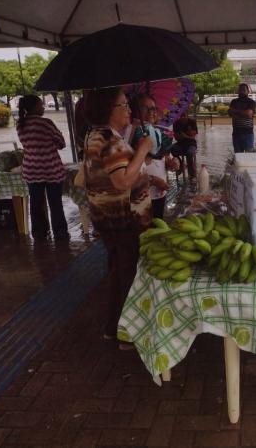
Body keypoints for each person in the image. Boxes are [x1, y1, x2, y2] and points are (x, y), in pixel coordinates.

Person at [83, 87, 153, 348]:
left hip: (110, 219)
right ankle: (125, 334)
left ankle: (113, 328)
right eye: (124, 105)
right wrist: (143, 149)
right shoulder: (109, 140)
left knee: (118, 272)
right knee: (127, 274)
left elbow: (118, 173)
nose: (129, 110)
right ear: (108, 110)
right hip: (123, 221)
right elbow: (122, 180)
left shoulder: (97, 135)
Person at [16, 94, 69, 241]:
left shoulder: (20, 124)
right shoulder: (46, 123)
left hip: (31, 169)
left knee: (35, 203)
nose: (43, 107)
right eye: (41, 105)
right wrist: (59, 135)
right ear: (34, 107)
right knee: (55, 204)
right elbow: (61, 143)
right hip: (51, 169)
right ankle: (60, 233)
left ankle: (39, 233)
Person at [130, 94, 179, 218]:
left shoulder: (157, 131)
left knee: (158, 224)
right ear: (135, 110)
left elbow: (162, 158)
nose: (151, 112)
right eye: (145, 108)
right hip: (141, 196)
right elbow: (129, 169)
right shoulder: (131, 133)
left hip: (159, 193)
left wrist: (170, 162)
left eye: (154, 108)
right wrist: (152, 180)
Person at [228, 83, 255, 152]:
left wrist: (236, 112)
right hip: (236, 134)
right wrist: (244, 113)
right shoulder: (234, 102)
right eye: (240, 90)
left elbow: (249, 114)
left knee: (249, 157)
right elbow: (230, 113)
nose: (241, 91)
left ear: (248, 91)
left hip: (248, 134)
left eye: (244, 90)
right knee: (238, 156)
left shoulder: (251, 102)